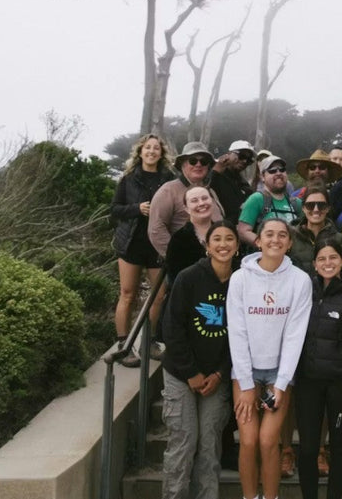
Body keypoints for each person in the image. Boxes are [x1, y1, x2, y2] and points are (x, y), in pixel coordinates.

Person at [227, 218, 313, 499]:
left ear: (289, 243)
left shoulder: (300, 280)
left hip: (279, 372)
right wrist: (247, 384)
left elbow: (294, 335)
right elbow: (237, 332)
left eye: (282, 235)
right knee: (249, 441)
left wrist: (281, 383)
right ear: (259, 241)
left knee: (267, 441)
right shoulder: (240, 278)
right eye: (269, 235)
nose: (275, 240)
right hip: (246, 371)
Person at [159, 221, 240, 499]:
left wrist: (220, 373)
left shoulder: (241, 282)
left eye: (229, 239)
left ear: (237, 247)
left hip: (216, 377)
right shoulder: (188, 277)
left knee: (209, 445)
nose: (223, 244)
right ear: (207, 245)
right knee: (183, 442)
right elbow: (172, 328)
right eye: (216, 239)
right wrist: (191, 372)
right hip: (181, 374)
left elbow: (242, 336)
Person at [295, 235, 342, 499]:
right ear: (314, 264)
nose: (327, 263)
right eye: (321, 259)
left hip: (341, 385)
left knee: (338, 446)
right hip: (308, 381)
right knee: (307, 448)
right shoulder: (305, 290)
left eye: (332, 258)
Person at [110, 134, 175, 367]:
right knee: (128, 294)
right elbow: (115, 209)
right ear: (140, 152)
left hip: (157, 245)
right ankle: (123, 345)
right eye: (147, 148)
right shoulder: (128, 178)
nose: (151, 151)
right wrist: (137, 208)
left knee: (159, 295)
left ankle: (149, 342)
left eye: (156, 148)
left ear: (161, 153)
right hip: (131, 244)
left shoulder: (168, 179)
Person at [289, 184, 342, 276]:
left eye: (321, 205)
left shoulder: (340, 240)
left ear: (328, 208)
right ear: (303, 208)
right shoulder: (291, 238)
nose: (316, 209)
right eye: (310, 205)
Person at [239, 155, 302, 245]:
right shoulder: (257, 199)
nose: (278, 173)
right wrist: (266, 246)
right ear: (262, 177)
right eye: (272, 170)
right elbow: (243, 231)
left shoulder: (296, 203)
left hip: (294, 257)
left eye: (282, 169)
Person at [164, 185, 220, 283]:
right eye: (194, 200)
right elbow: (176, 279)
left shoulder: (224, 232)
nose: (201, 203)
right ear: (186, 208)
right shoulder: (179, 239)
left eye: (205, 198)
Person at [210, 140, 255, 224]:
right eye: (242, 156)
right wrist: (216, 170)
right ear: (229, 154)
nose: (245, 161)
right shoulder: (216, 174)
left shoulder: (244, 184)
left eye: (249, 160)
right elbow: (202, 188)